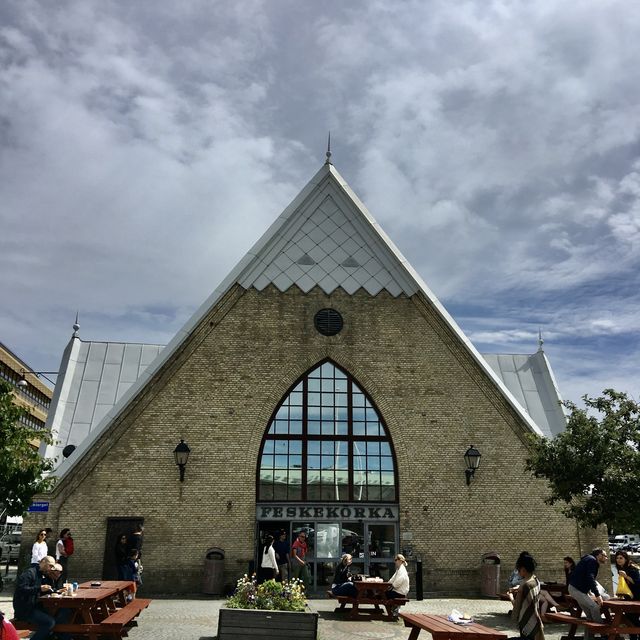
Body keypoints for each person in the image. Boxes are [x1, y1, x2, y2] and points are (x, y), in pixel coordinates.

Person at [12, 556, 71, 640]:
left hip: (35, 606)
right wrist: (39, 588)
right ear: (42, 562)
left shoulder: (41, 574)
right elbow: (21, 589)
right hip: (25, 609)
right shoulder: (29, 573)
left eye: (52, 566)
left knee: (61, 613)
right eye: (50, 566)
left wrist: (56, 591)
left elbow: (44, 590)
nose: (51, 568)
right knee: (49, 622)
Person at [568, 549, 608, 640]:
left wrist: (588, 592)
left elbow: (584, 576)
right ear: (599, 555)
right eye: (605, 556)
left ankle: (588, 638)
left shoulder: (588, 559)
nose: (606, 558)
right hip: (577, 590)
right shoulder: (592, 561)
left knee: (590, 616)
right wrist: (598, 596)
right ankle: (603, 634)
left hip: (577, 589)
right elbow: (590, 578)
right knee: (595, 607)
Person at [508, 553, 544, 640]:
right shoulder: (535, 580)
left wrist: (511, 597)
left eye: (518, 569)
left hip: (527, 623)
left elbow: (518, 606)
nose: (518, 571)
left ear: (523, 569)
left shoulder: (525, 585)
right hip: (536, 619)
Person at [614, 550, 640, 640]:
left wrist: (626, 576)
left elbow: (637, 583)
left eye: (621, 558)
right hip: (629, 598)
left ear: (626, 559)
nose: (618, 560)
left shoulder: (632, 568)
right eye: (617, 558)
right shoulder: (621, 569)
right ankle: (633, 637)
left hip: (637, 597)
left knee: (632, 618)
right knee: (629, 618)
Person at [386, 554, 410, 618]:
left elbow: (397, 582)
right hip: (397, 592)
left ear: (400, 561)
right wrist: (387, 585)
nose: (395, 561)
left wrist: (391, 586)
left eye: (396, 560)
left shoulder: (402, 571)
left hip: (399, 593)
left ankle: (392, 612)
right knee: (384, 593)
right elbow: (392, 579)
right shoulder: (398, 569)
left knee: (383, 594)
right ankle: (392, 611)